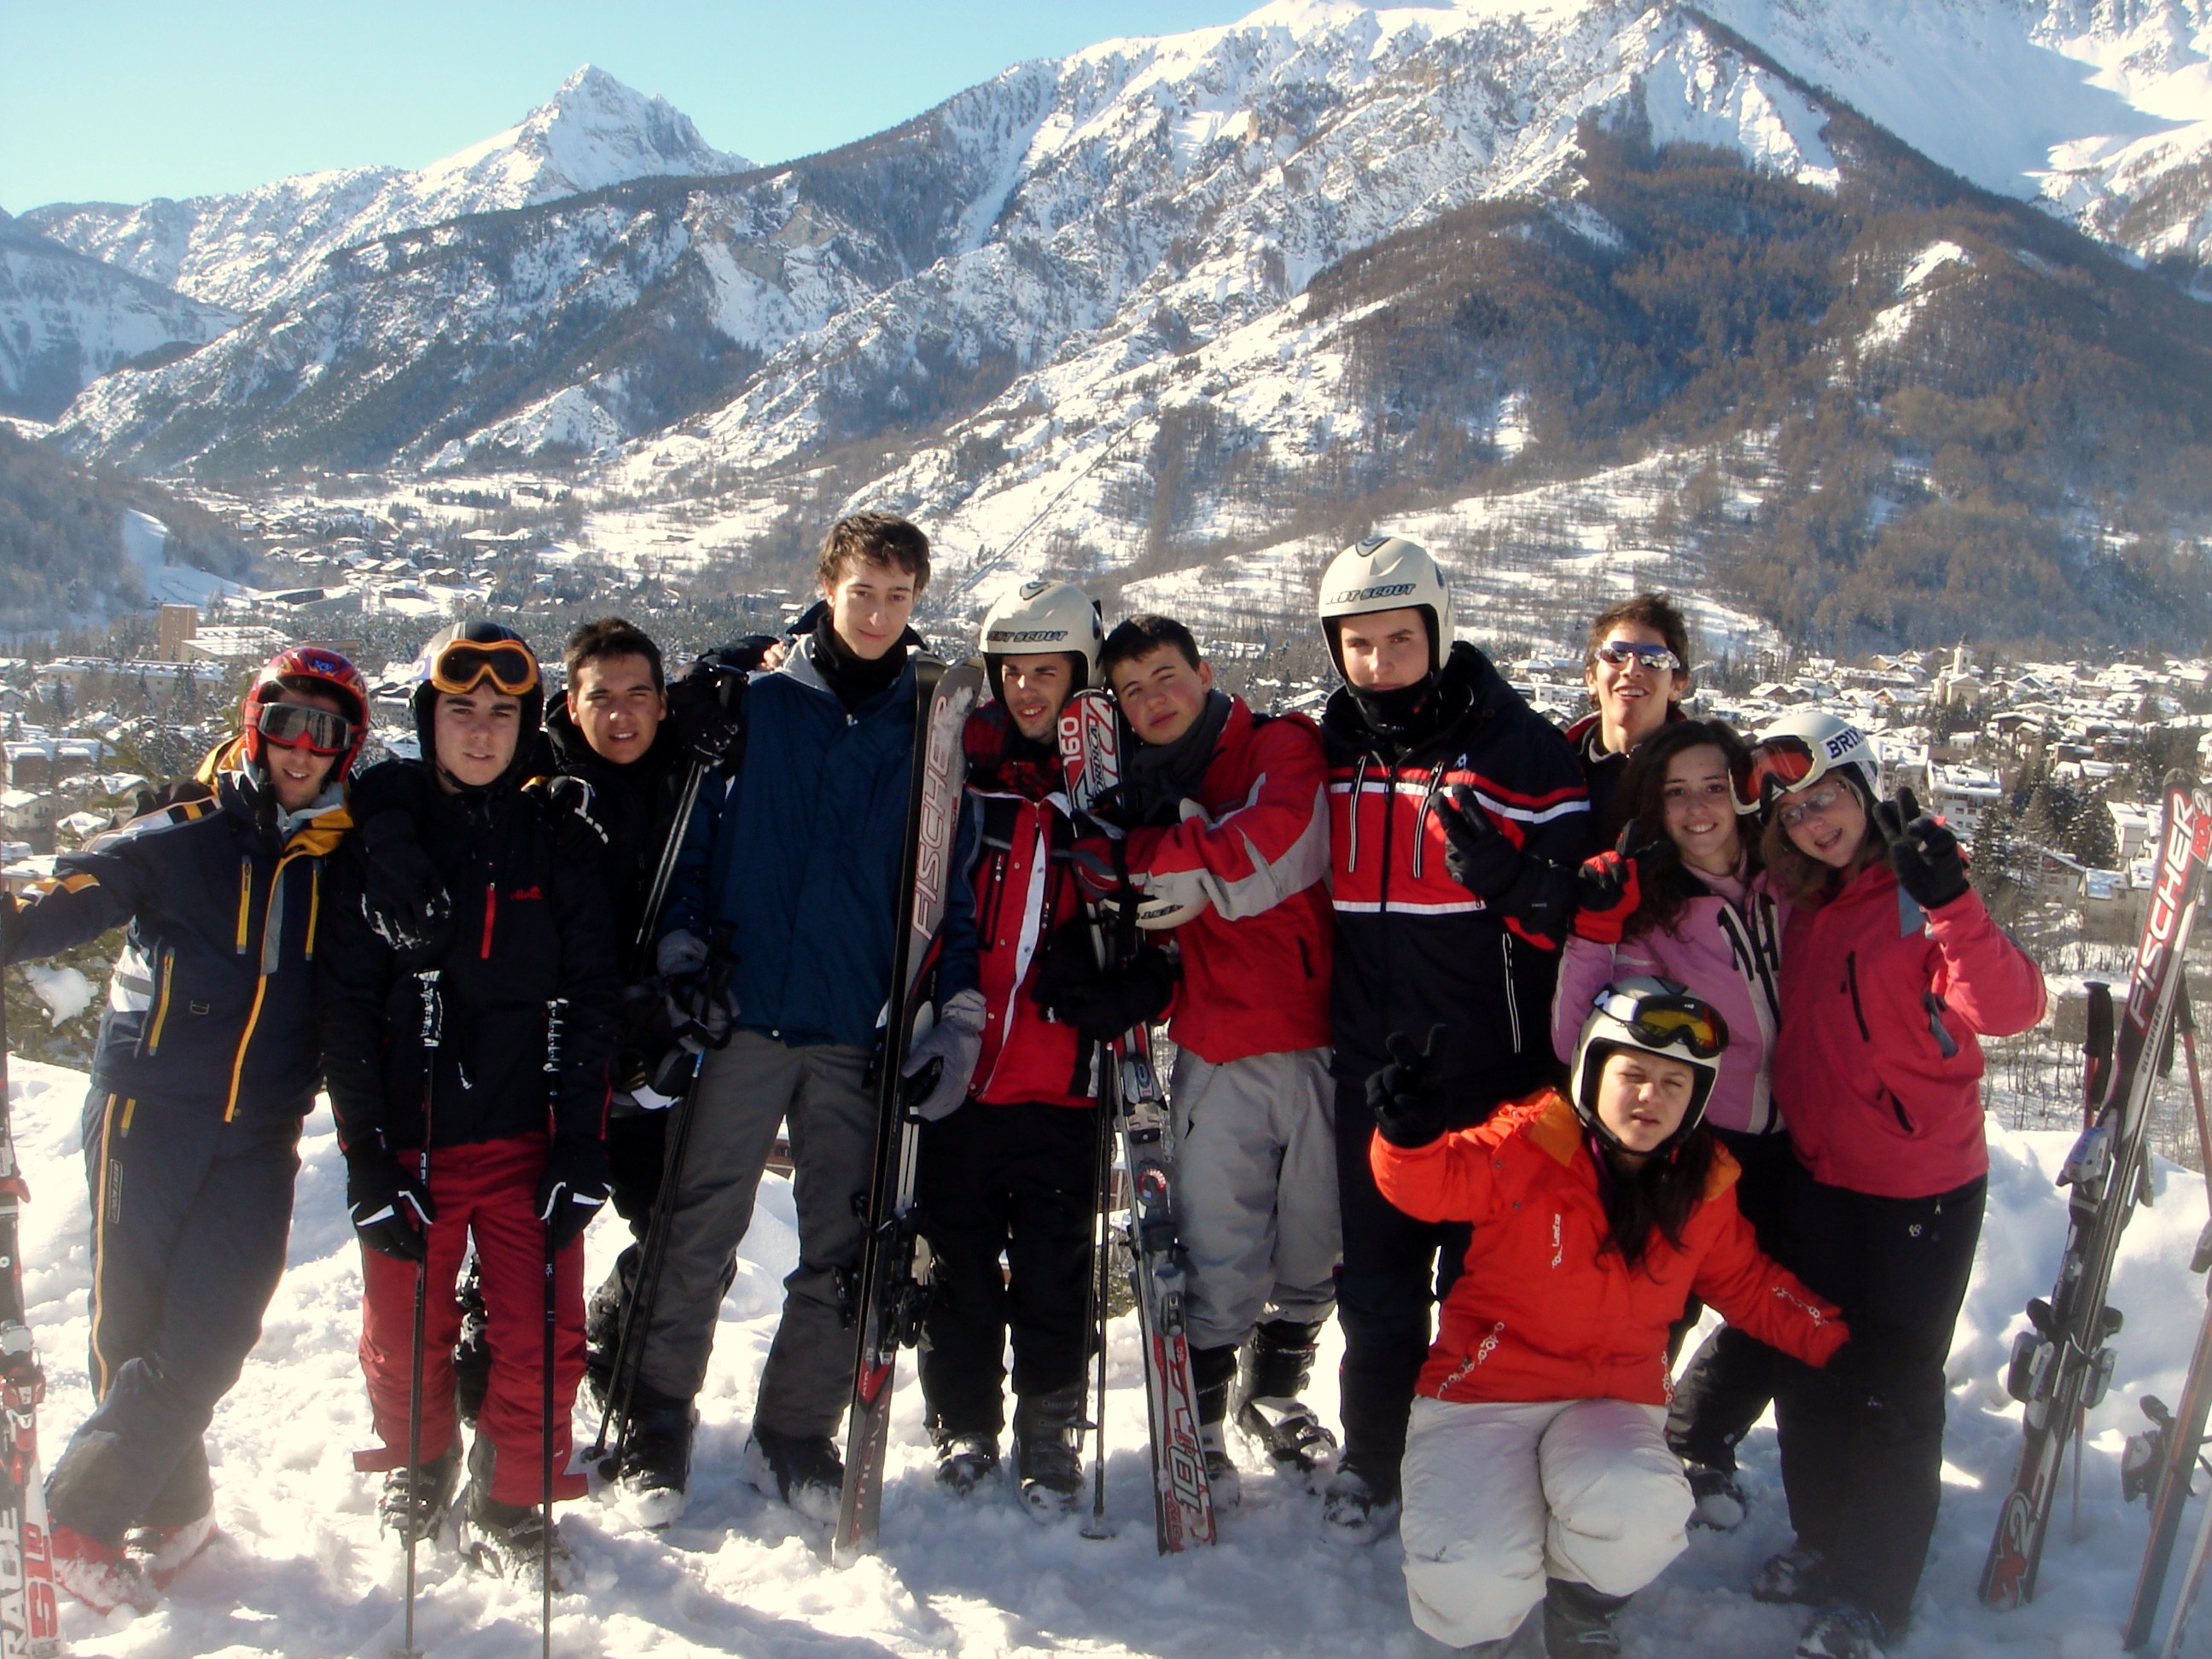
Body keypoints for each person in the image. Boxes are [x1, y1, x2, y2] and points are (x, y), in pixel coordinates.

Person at [0, 647, 369, 1613]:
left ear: (347, 747)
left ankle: (72, 1513)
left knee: (216, 1329)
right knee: (131, 1323)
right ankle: (153, 1513)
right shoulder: (184, 833)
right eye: (284, 722)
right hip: (149, 1107)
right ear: (256, 726)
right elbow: (71, 896)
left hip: (263, 1128)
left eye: (324, 730)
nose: (301, 747)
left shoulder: (349, 857)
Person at [632, 512, 980, 1525]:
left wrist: (948, 1015)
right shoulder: (758, 700)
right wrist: (682, 959)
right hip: (744, 1013)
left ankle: (792, 1432)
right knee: (697, 1226)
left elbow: (949, 884)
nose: (878, 613)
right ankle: (657, 1418)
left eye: (898, 596)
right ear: (827, 586)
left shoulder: (931, 724)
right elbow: (696, 837)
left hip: (853, 1024)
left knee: (847, 1242)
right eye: (862, 591)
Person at [1368, 981, 1851, 1657]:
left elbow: (1749, 1284)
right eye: (1633, 1075)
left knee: (1642, 1506)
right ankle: (1490, 1610)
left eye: (1674, 1083)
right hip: (1483, 1396)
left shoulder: (1702, 1185)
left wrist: (1839, 1344)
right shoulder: (1526, 1143)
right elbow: (1434, 1182)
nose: (1651, 1096)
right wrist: (1409, 1137)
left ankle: (1581, 1604)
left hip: (1611, 1402)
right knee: (1471, 1583)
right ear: (1592, 1071)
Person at [319, 622, 619, 1588]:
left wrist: (581, 1147)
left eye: (501, 713)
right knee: (404, 1334)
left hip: (528, 1140)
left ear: (528, 727)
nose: (482, 732)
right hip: (417, 1141)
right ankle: (422, 1460)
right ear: (429, 721)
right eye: (460, 711)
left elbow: (593, 998)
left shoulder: (559, 844)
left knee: (545, 1340)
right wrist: (367, 1158)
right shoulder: (384, 849)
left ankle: (510, 1497)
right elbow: (347, 1011)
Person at [1742, 710, 2046, 1659]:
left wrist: (1953, 901)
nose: (1814, 823)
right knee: (1810, 1371)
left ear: (1867, 788)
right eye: (1793, 813)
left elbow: (2012, 1008)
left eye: (1828, 798)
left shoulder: (1920, 895)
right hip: (1819, 1174)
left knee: (1892, 1391)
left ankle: (1874, 1595)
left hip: (1920, 1187)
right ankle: (1824, 1541)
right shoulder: (1799, 899)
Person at [1313, 536, 1593, 1542]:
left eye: (1400, 639)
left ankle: (1476, 1465)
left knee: (1484, 1289)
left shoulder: (1520, 752)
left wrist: (1519, 884)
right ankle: (1373, 1456)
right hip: (1375, 1073)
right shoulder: (1332, 751)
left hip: (1494, 1074)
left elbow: (1588, 917)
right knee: (1377, 1287)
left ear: (1438, 632)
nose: (1380, 664)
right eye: (1358, 644)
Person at [917, 579, 1168, 1517]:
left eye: (1048, 672)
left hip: (1062, 1078)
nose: (1027, 690)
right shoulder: (961, 782)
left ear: (1080, 677)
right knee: (958, 1259)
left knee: (1056, 1264)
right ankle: (965, 1419)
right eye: (1012, 672)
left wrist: (1139, 977)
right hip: (962, 1076)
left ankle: (1050, 1422)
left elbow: (1163, 909)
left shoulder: (1108, 792)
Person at [1080, 613, 1337, 1505]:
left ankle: (1279, 1395)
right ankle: (1208, 1423)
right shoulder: (1141, 787)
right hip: (1219, 1044)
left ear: (1206, 672)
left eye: (1165, 676)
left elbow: (1270, 845)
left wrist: (1144, 856)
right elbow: (1139, 899)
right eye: (1131, 690)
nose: (1152, 700)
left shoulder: (1276, 746)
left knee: (1316, 1241)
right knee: (1220, 1244)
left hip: (1315, 1035)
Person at [1549, 717, 1790, 1527]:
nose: (1697, 809)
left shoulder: (1788, 879)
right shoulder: (1651, 909)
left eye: (1713, 787)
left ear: (1742, 794)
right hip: (1699, 1138)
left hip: (1802, 1135)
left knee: (1778, 1304)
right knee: (1660, 1309)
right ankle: (1619, 1465)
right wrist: (1595, 926)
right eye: (1676, 792)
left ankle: (1700, 1435)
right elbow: (1579, 1036)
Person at [537, 618, 773, 1424]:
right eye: (601, 697)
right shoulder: (537, 778)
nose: (622, 714)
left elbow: (749, 658)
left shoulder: (688, 761)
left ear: (664, 701)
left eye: (640, 694)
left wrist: (730, 664)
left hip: (655, 1056)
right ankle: (495, 1364)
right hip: (559, 1058)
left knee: (689, 1242)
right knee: (534, 1233)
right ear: (570, 704)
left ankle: (617, 1341)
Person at [1562, 595, 1691, 831]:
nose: (1632, 669)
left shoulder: (1708, 778)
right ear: (1591, 679)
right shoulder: (1552, 771)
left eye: (1654, 659)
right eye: (1616, 655)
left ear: (1677, 686)